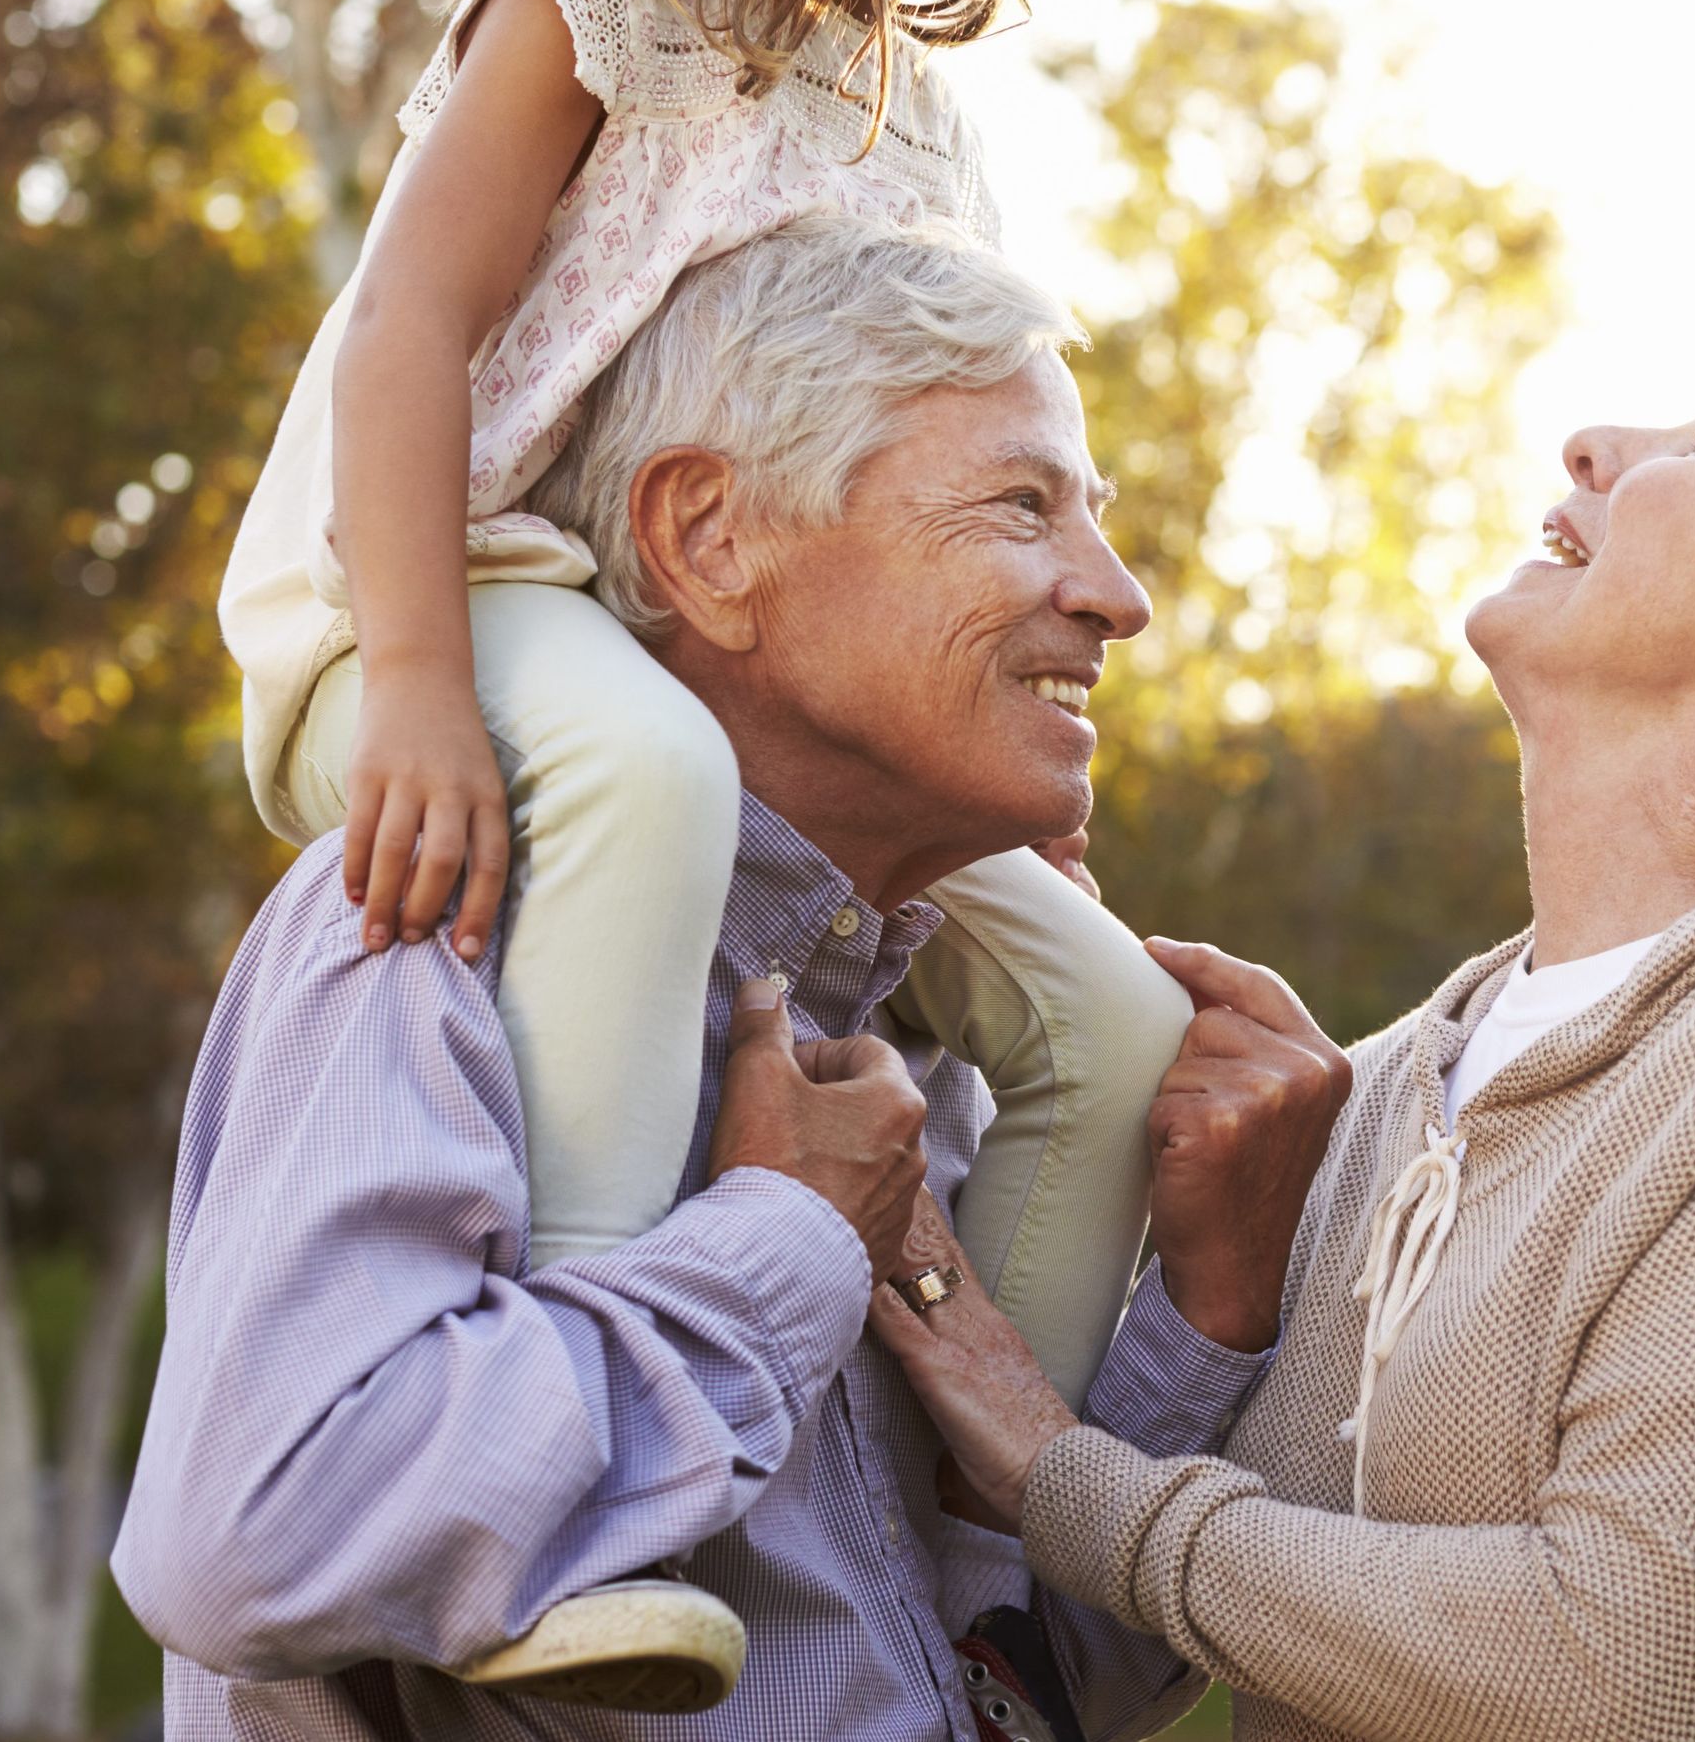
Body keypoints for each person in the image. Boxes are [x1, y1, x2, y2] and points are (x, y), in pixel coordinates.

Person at [220, 0, 1215, 1490]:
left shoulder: (910, 113)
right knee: (647, 782)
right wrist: (412, 670)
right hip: (454, 580)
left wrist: (967, 769)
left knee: (1107, 1013)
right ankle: (583, 1438)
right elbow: (410, 324)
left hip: (713, 654)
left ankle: (977, 1506)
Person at [116, 229, 1349, 1738]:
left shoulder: (939, 1056)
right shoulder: (432, 923)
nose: (1117, 594)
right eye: (1022, 504)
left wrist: (1214, 1304)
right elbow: (262, 1533)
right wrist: (781, 1242)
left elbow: (1018, 1691)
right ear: (709, 538)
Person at [876, 334, 1695, 1740]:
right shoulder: (1389, 1087)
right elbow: (1107, 1655)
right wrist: (1161, 1183)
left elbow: (1620, 1661)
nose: (1595, 445)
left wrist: (1054, 1468)